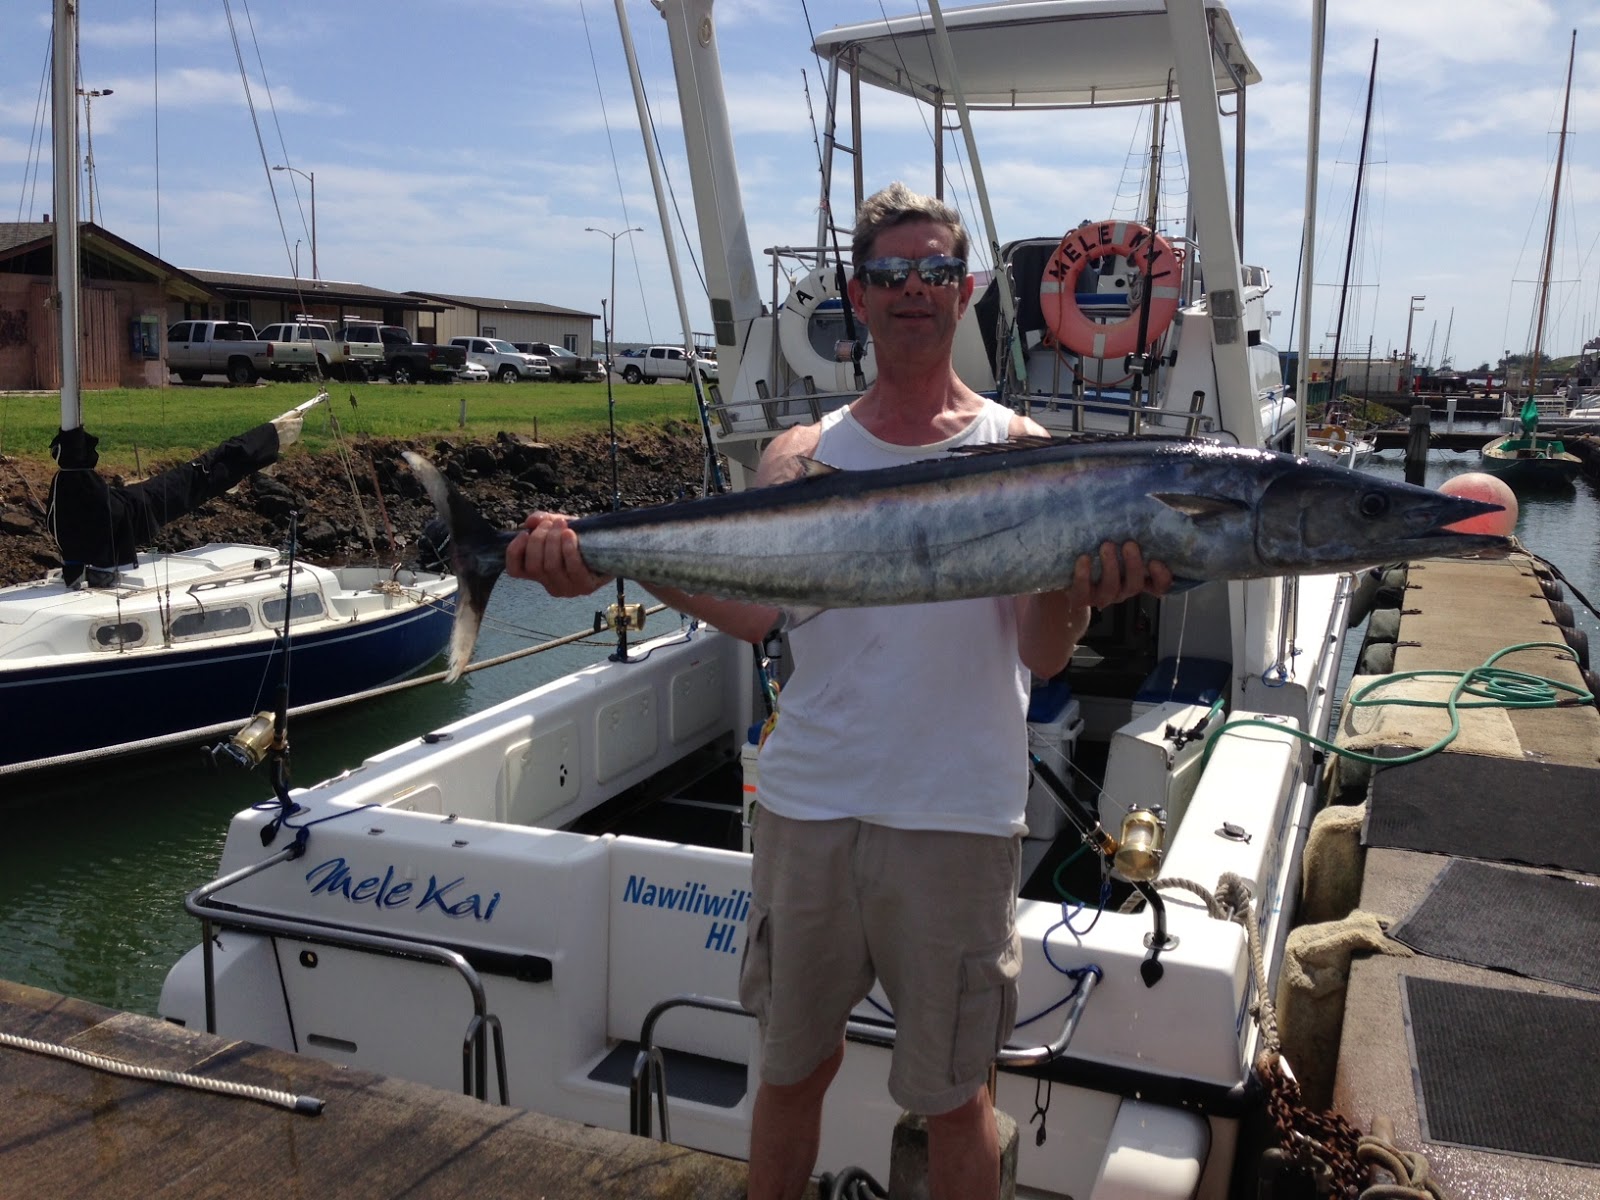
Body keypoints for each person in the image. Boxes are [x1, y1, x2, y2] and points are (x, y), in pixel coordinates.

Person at [507, 182, 1170, 1200]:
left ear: (967, 291)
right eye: (892, 273)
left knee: (953, 1097)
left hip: (954, 818)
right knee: (788, 1073)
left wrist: (1080, 600)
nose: (914, 291)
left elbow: (1040, 657)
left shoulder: (1024, 455)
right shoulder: (803, 455)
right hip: (808, 808)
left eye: (935, 271)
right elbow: (765, 615)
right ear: (859, 294)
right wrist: (610, 559)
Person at [47, 406, 308, 588]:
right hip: (128, 515)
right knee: (181, 481)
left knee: (188, 477)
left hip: (101, 544)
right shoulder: (74, 486)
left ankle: (265, 441)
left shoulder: (65, 488)